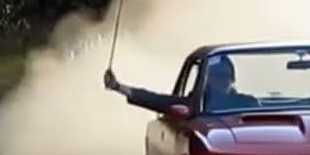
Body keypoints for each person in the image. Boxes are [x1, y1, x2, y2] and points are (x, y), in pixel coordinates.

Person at [103, 54, 260, 113]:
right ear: (208, 80)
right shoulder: (193, 105)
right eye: (217, 76)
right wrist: (117, 86)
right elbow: (156, 99)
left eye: (226, 76)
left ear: (233, 79)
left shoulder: (247, 103)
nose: (222, 81)